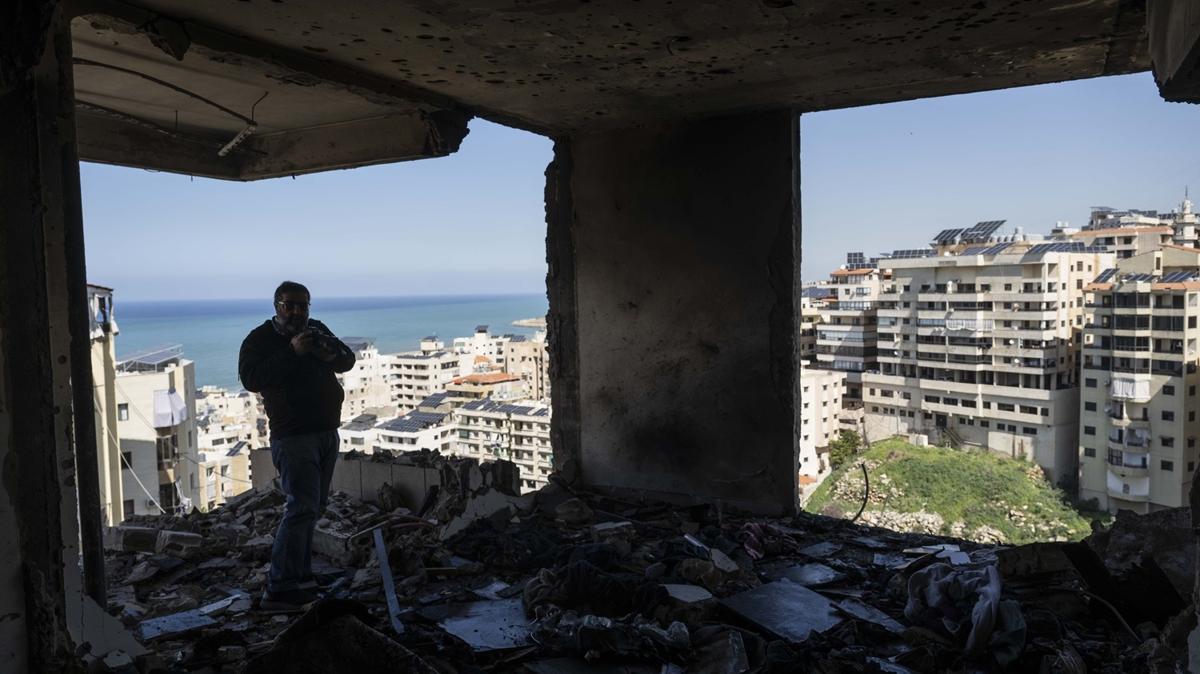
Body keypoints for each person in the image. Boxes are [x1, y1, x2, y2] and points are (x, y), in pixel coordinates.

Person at [238, 281, 355, 611]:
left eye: (302, 305)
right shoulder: (260, 339)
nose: (296, 311)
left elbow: (347, 360)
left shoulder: (316, 330)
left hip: (326, 431)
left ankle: (301, 578)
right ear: (277, 306)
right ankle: (280, 588)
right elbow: (251, 378)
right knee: (301, 508)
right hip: (293, 436)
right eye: (289, 305)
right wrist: (292, 352)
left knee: (313, 508)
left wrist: (327, 351)